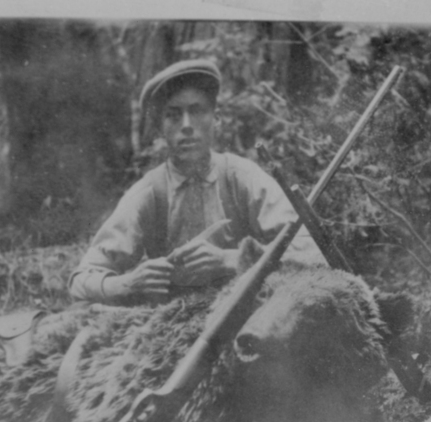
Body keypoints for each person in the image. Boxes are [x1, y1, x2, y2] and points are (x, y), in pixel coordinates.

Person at [69, 59, 324, 304]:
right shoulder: (149, 193)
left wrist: (229, 259)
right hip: (176, 324)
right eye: (173, 115)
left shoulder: (243, 178)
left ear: (217, 118)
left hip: (249, 313)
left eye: (198, 111)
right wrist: (128, 283)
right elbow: (80, 280)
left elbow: (314, 255)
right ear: (160, 129)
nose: (187, 126)